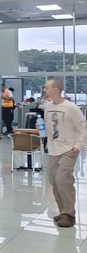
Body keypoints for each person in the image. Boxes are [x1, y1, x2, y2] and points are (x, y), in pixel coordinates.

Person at [43, 78, 87, 228]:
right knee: (54, 181)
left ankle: (69, 214)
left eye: (47, 87)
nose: (45, 90)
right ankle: (62, 212)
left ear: (56, 89)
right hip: (53, 149)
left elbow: (83, 128)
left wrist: (79, 145)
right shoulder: (47, 107)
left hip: (69, 149)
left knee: (63, 179)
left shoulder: (71, 108)